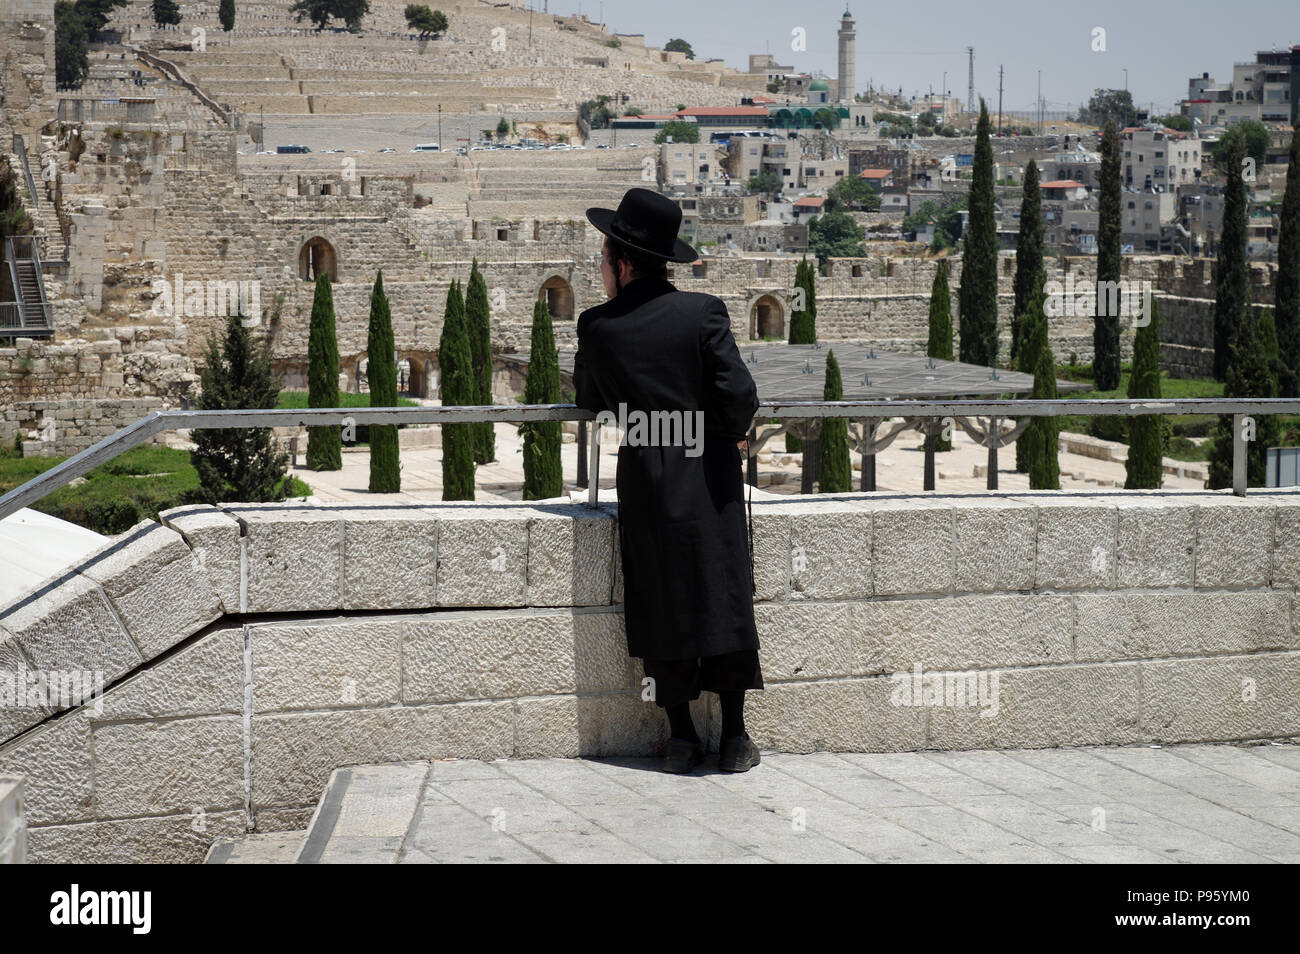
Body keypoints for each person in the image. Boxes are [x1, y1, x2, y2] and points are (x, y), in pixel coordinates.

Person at [574, 187, 763, 774]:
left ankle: (681, 738)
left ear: (623, 263)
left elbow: (590, 402)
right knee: (723, 598)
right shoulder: (704, 312)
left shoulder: (597, 327)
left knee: (661, 606)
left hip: (648, 484)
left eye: (604, 261)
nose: (602, 272)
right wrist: (729, 433)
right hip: (709, 480)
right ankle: (733, 739)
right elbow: (741, 395)